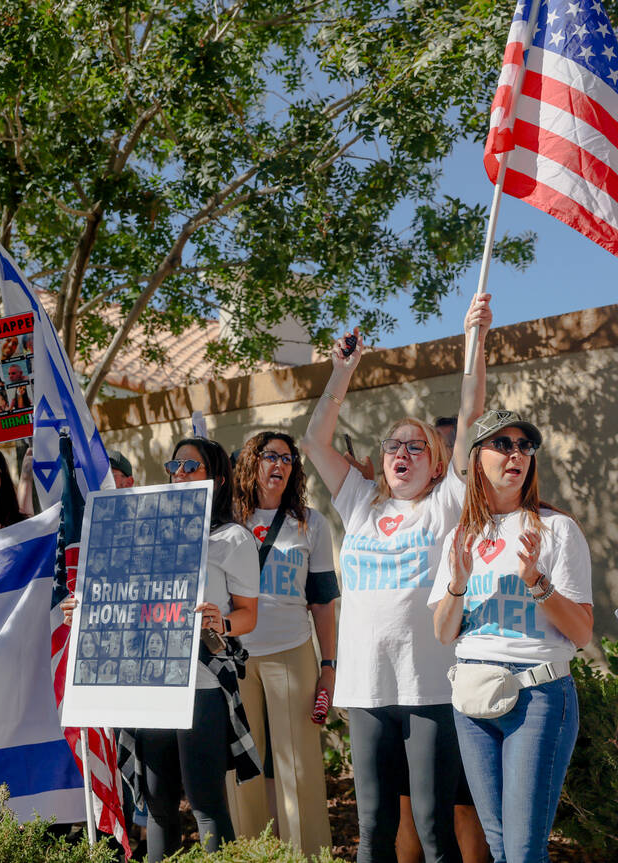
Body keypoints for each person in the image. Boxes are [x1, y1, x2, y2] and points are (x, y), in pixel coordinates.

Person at [299, 293, 493, 863]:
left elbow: (473, 415)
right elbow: (314, 440)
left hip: (430, 688)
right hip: (367, 690)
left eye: (416, 446)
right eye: (393, 446)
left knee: (435, 831)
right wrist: (341, 372)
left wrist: (474, 340)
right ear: (382, 461)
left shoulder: (444, 504)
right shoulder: (358, 500)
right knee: (374, 830)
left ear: (436, 464)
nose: (402, 452)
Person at [68, 437, 259, 860]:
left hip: (202, 683)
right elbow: (124, 597)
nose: (181, 474)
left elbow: (249, 615)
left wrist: (222, 622)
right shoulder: (142, 532)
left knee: (207, 805)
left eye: (192, 467)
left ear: (218, 478)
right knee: (156, 807)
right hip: (149, 680)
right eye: (176, 466)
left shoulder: (233, 539)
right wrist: (84, 611)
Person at [431, 410, 593, 863]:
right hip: (472, 699)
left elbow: (580, 632)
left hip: (538, 696)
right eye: (502, 445)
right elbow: (444, 633)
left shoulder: (557, 529)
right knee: (500, 849)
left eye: (524, 446)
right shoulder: (460, 537)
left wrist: (537, 581)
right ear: (474, 460)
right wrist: (458, 583)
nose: (516, 454)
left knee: (523, 852)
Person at [226, 431, 337, 855]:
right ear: (251, 463)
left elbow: (323, 603)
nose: (280, 465)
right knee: (241, 770)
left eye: (288, 459)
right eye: (270, 456)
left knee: (301, 769)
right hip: (234, 658)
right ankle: (248, 854)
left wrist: (328, 664)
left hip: (292, 652)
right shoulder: (227, 523)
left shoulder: (311, 523)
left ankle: (308, 855)